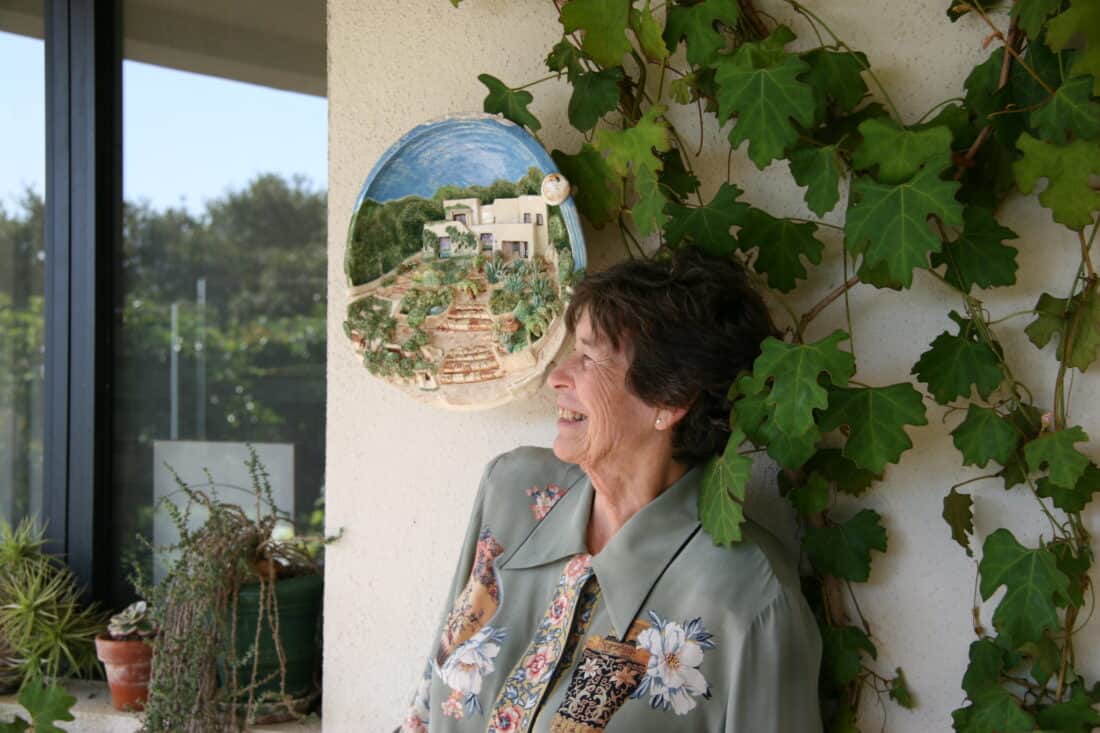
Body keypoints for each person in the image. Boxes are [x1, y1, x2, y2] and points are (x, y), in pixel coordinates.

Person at [398, 249, 823, 733]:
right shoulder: (513, 491)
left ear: (671, 398)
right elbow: (426, 705)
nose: (557, 377)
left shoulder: (750, 598)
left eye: (588, 358)